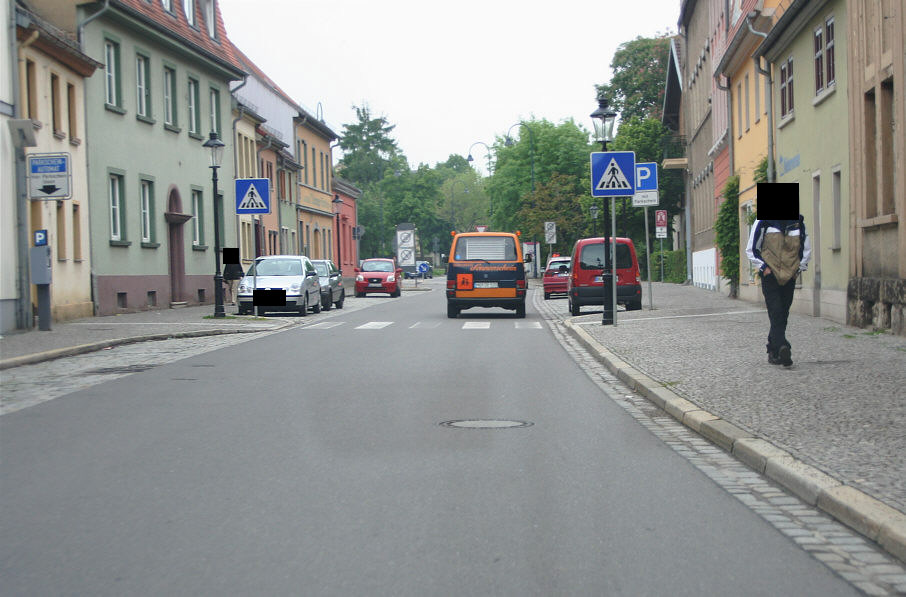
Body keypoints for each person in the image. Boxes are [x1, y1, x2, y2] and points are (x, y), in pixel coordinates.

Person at [745, 215, 811, 367]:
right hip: (770, 274)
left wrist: (798, 270)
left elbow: (805, 248)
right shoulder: (763, 221)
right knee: (776, 312)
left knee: (783, 313)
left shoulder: (798, 222)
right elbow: (752, 249)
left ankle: (773, 350)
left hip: (790, 275)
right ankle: (783, 346)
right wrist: (764, 268)